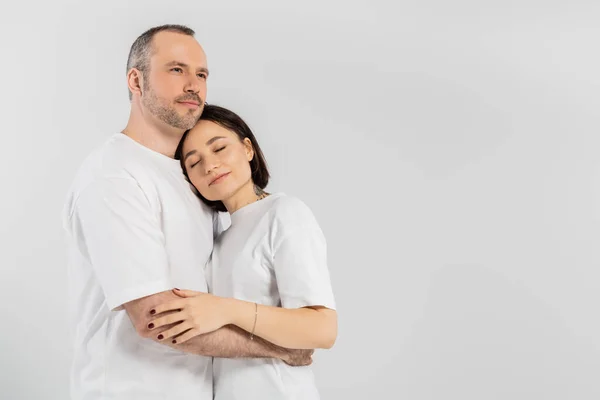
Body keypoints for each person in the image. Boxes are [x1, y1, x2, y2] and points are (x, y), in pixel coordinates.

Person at [62, 25, 311, 400]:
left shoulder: (192, 178)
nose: (193, 84)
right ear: (136, 80)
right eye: (176, 69)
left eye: (202, 74)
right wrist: (280, 349)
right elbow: (154, 319)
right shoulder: (114, 174)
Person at [147, 105, 338, 399]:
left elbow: (322, 329)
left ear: (248, 148)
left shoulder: (284, 213)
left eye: (219, 148)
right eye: (194, 163)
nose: (209, 166)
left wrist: (225, 309)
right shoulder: (217, 240)